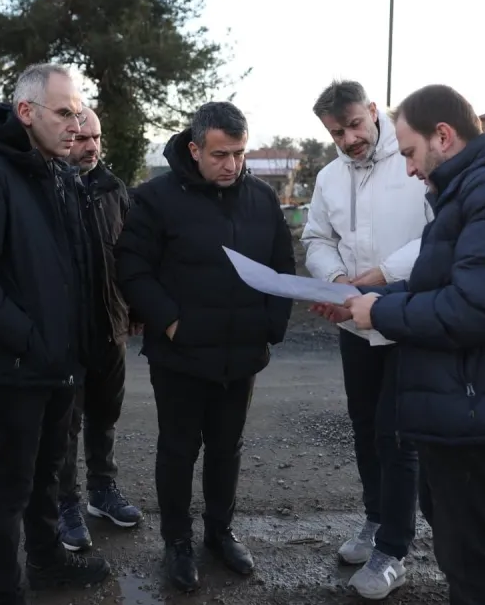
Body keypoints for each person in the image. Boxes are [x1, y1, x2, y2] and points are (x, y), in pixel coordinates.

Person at [340, 84, 485, 605]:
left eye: (409, 153)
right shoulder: (475, 187)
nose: (408, 168)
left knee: (466, 556)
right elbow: (447, 283)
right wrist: (375, 298)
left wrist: (380, 312)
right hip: (476, 399)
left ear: (443, 136)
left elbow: (478, 308)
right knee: (464, 539)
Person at [0, 64, 110, 605]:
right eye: (64, 113)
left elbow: (70, 265)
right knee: (10, 483)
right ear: (26, 112)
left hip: (58, 359)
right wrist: (27, 339)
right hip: (13, 364)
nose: (75, 124)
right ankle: (4, 588)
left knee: (48, 473)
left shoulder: (55, 170)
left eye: (78, 112)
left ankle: (47, 561)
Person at [115, 101, 295, 592]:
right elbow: (132, 267)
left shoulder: (261, 198)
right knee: (177, 450)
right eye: (220, 155)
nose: (231, 165)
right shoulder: (155, 199)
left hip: (242, 354)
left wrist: (271, 325)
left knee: (226, 448)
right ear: (194, 150)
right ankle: (177, 542)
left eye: (239, 154)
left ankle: (220, 533)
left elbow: (282, 264)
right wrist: (172, 324)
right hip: (181, 355)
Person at [301, 79, 430, 599]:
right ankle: (376, 519)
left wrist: (379, 277)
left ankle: (393, 550)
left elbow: (438, 234)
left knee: (397, 435)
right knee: (364, 426)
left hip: (405, 316)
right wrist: (335, 281)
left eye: (355, 125)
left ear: (373, 111)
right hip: (354, 324)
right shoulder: (330, 177)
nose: (349, 139)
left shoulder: (414, 161)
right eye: (337, 132)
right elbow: (317, 237)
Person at [56, 106, 142, 552]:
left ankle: (102, 491)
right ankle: (65, 503)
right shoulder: (49, 189)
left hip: (111, 326)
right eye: (82, 138)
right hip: (66, 334)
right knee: (65, 424)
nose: (91, 146)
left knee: (105, 415)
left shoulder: (113, 189)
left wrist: (135, 308)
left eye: (97, 137)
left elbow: (129, 255)